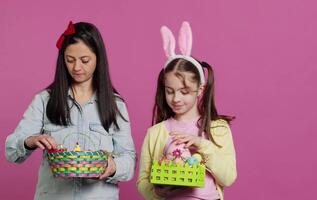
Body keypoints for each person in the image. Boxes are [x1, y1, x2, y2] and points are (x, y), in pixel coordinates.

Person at [5, 21, 136, 200]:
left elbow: (129, 159)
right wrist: (30, 141)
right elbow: (11, 152)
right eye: (70, 60)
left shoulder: (115, 105)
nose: (76, 67)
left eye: (85, 60)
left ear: (98, 58)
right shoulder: (44, 100)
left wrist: (113, 166)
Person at [137, 21, 237, 200]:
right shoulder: (155, 133)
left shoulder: (217, 129)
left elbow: (228, 178)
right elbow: (142, 181)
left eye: (184, 92)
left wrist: (202, 144)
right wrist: (158, 190)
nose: (176, 98)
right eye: (170, 91)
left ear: (200, 90)